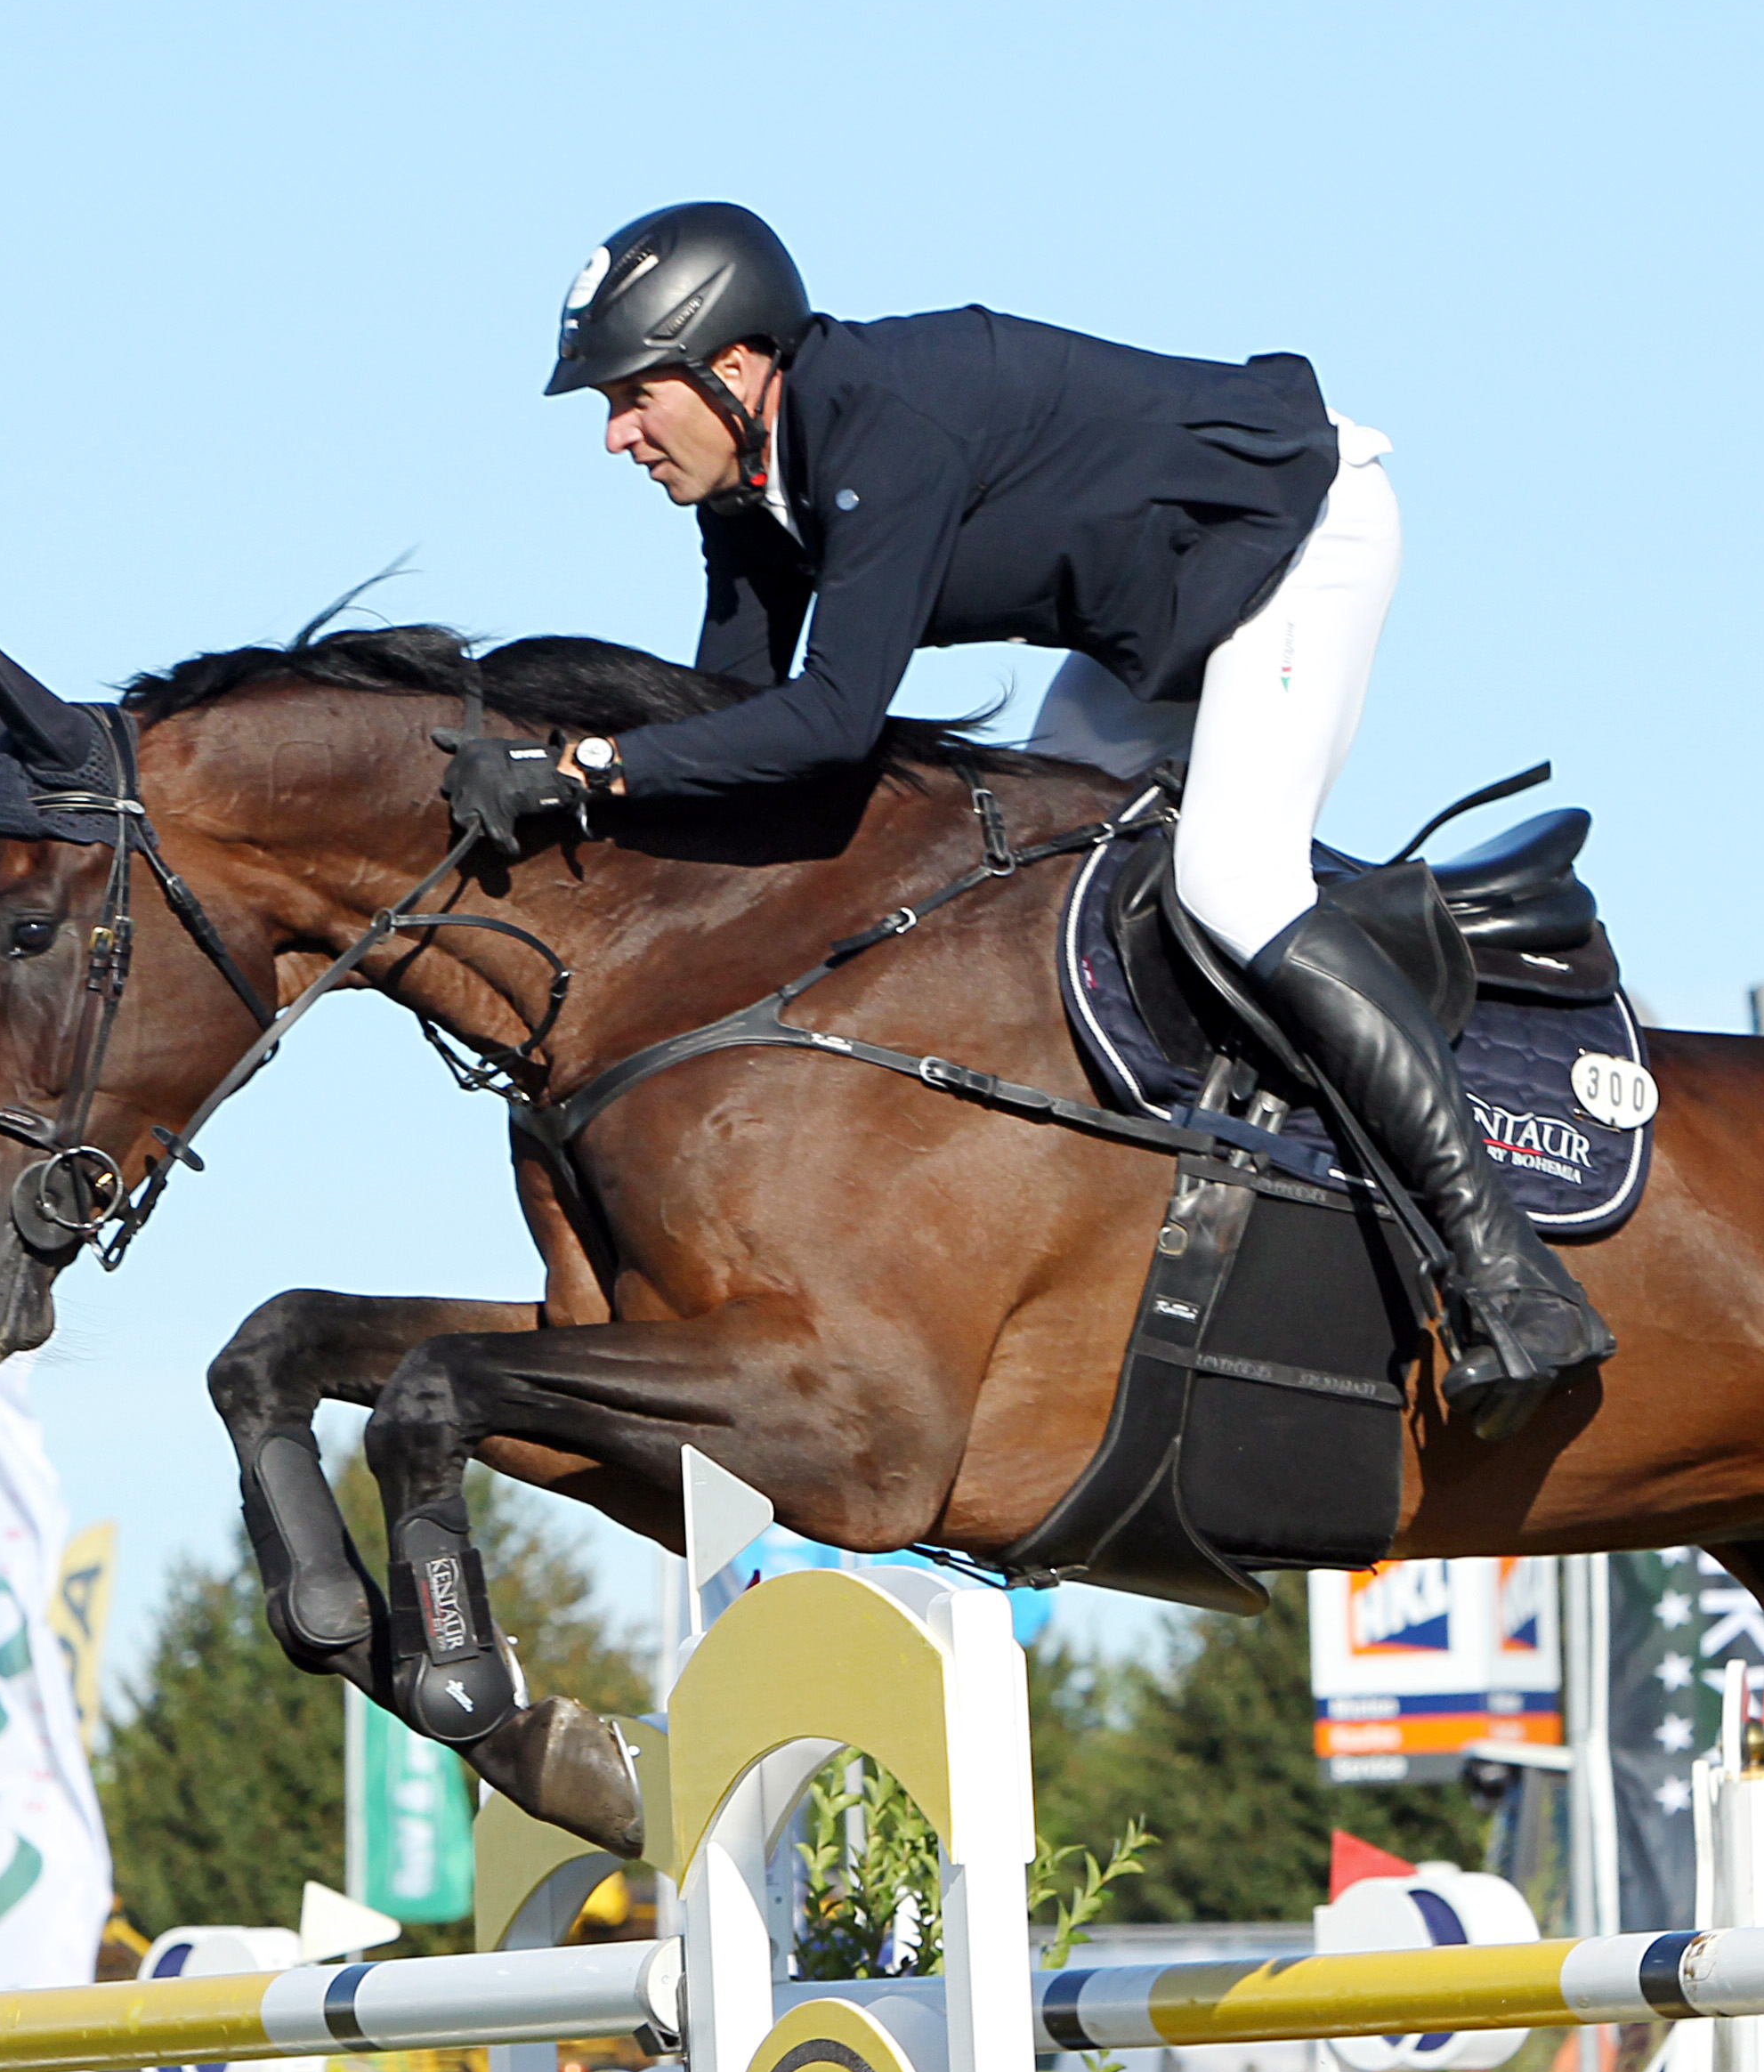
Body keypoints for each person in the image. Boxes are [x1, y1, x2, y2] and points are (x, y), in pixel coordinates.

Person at [481, 202, 1612, 1439]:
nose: (615, 435)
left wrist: (585, 767)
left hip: (1294, 540)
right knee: (1025, 874)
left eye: (632, 395)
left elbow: (832, 722)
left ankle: (1508, 1270)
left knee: (1232, 880)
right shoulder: (750, 495)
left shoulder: (881, 425)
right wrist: (567, 824)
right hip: (1155, 621)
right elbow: (734, 725)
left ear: (736, 366)